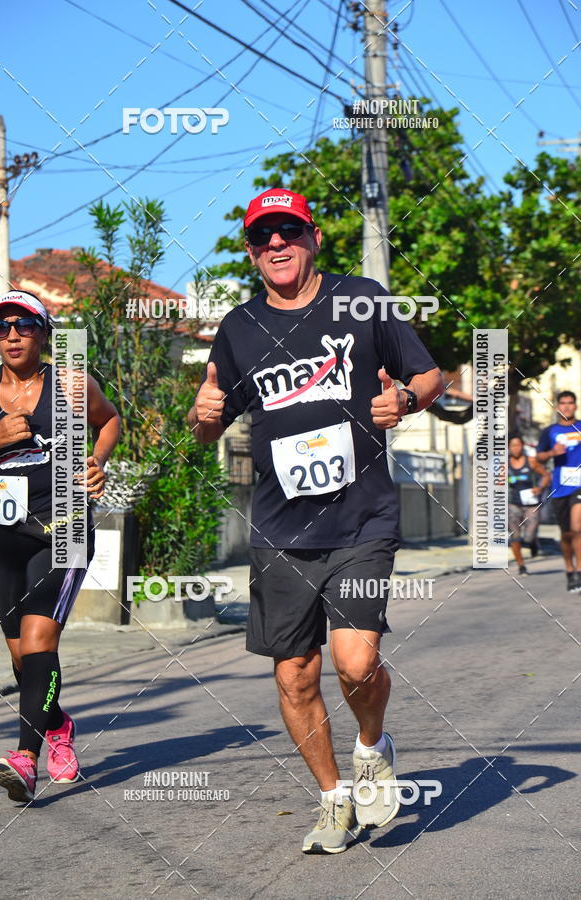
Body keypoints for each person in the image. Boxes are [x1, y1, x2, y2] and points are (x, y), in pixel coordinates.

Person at [188, 189, 444, 853]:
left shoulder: (361, 300)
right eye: (263, 236)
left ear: (314, 238)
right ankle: (333, 799)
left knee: (355, 663)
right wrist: (202, 417)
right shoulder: (240, 328)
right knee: (294, 676)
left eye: (289, 232)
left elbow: (429, 375)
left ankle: (371, 745)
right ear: (251, 251)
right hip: (279, 530)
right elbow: (206, 420)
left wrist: (407, 400)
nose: (277, 244)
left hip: (362, 518)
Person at [0, 290, 120, 802]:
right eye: (1, 328)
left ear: (43, 332)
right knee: (23, 660)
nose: (11, 335)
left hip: (62, 524)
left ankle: (24, 757)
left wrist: (97, 460)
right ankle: (57, 726)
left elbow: (109, 421)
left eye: (22, 325)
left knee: (41, 642)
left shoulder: (70, 385)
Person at [536, 390, 581, 593]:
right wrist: (553, 452)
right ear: (557, 406)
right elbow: (538, 458)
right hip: (560, 486)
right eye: (562, 403)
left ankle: (579, 571)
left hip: (579, 486)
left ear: (575, 406)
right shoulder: (549, 431)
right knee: (567, 534)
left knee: (577, 527)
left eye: (570, 403)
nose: (566, 406)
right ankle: (569, 570)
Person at [507, 435, 550, 575]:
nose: (515, 448)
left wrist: (540, 488)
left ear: (523, 446)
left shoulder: (531, 462)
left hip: (531, 503)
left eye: (518, 445)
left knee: (529, 535)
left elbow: (546, 475)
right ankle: (521, 565)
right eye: (512, 446)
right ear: (508, 448)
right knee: (515, 535)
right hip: (513, 503)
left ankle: (532, 543)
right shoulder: (503, 464)